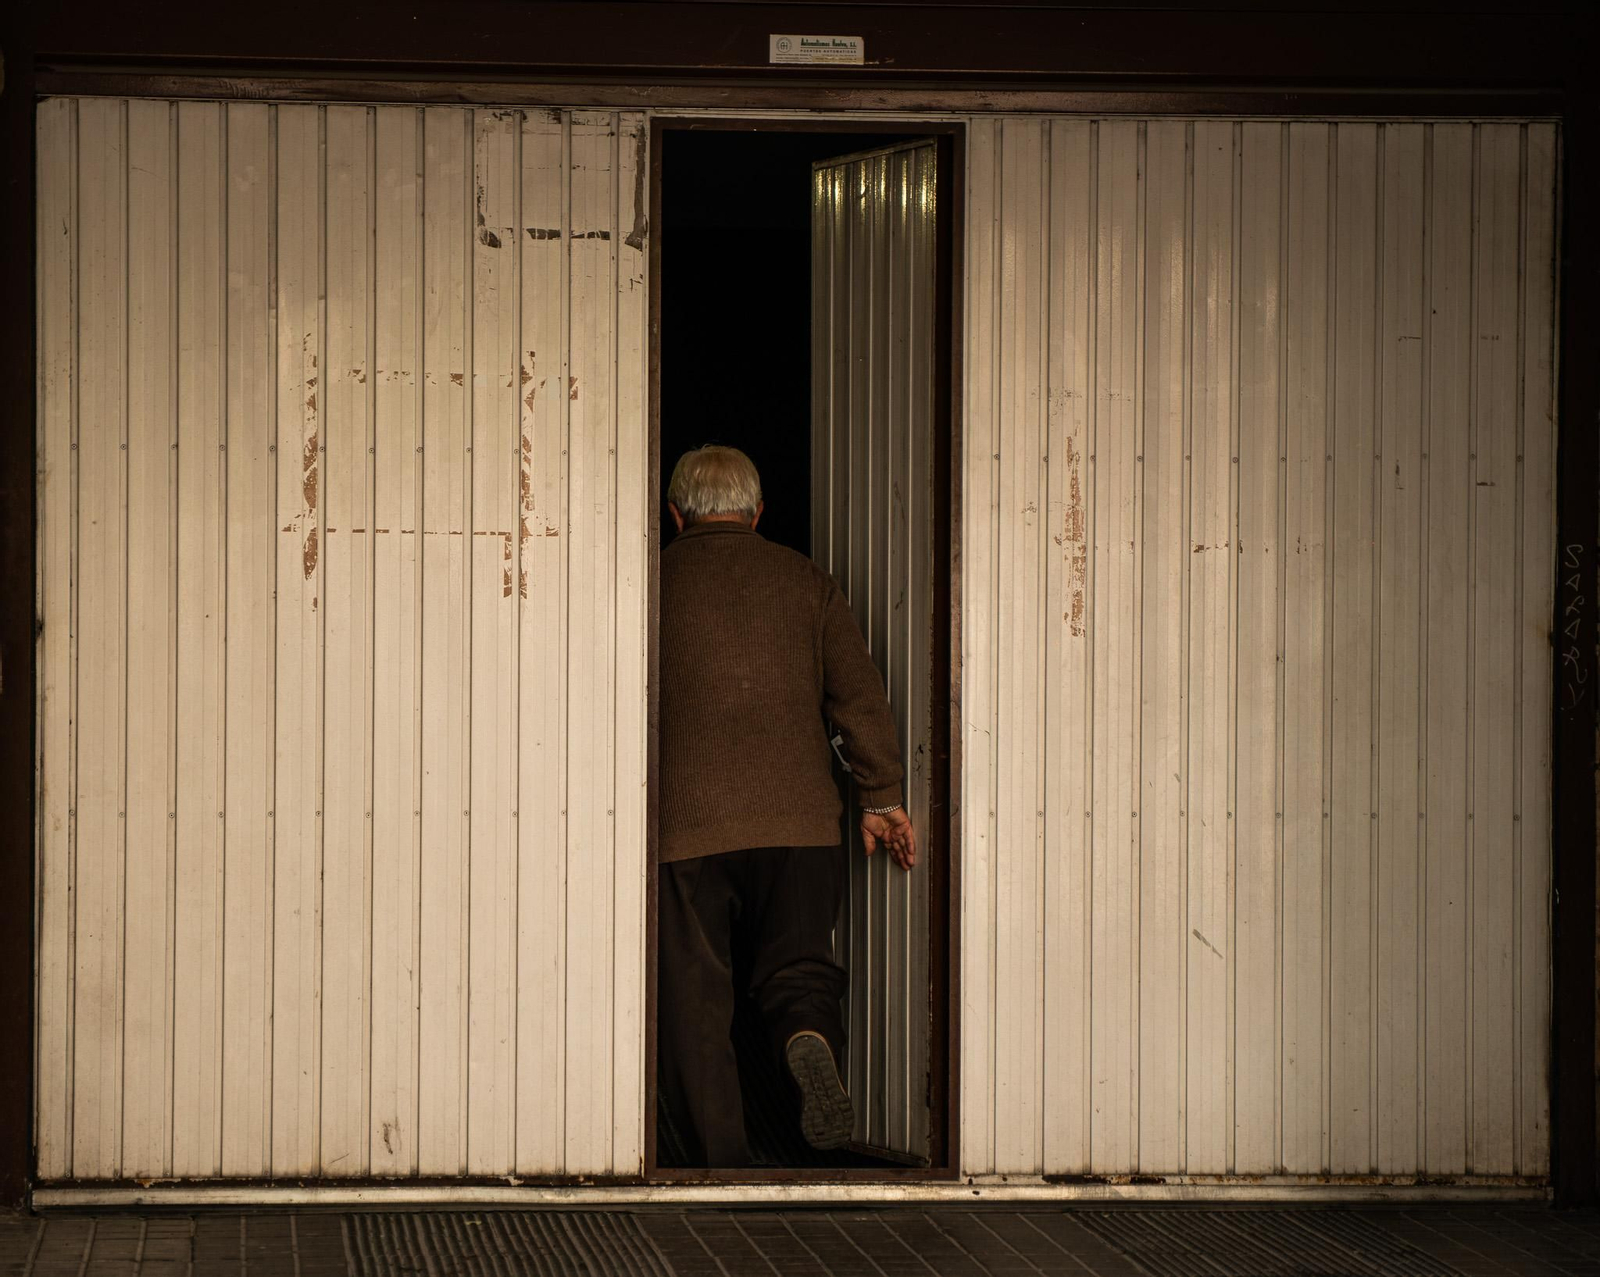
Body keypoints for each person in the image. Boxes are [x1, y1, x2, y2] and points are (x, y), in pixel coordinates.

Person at [657, 444, 917, 1167]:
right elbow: (858, 696)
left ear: (675, 515)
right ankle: (808, 1035)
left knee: (695, 1004)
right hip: (799, 823)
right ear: (759, 512)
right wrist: (880, 796)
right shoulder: (807, 582)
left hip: (687, 828)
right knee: (799, 967)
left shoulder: (647, 583)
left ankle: (722, 1162)